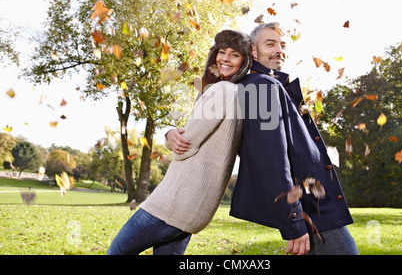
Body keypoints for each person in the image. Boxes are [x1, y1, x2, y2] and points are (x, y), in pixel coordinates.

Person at [107, 29, 253, 255]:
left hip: (174, 202)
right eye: (222, 51)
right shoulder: (240, 95)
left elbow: (184, 148)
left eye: (234, 55)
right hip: (197, 209)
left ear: (244, 61)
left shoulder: (222, 90)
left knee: (117, 251)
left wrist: (169, 135)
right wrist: (171, 134)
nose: (225, 58)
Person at [229, 22, 359, 255]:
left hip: (314, 208)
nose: (279, 50)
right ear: (253, 50)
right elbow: (270, 160)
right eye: (270, 44)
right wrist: (294, 219)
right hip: (311, 213)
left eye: (283, 45)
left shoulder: (275, 86)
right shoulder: (262, 87)